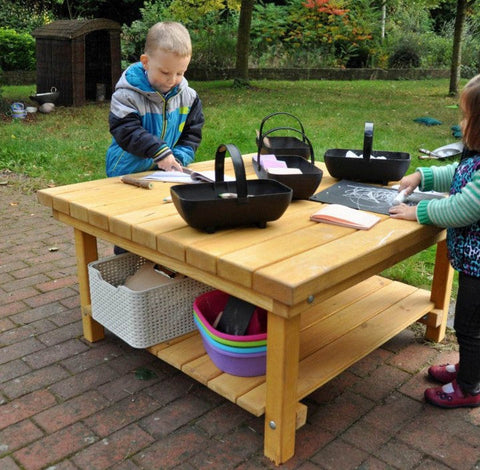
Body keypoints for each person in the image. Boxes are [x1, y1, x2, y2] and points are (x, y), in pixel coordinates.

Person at [389, 74, 480, 408]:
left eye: (467, 117)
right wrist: (422, 175)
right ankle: (469, 368)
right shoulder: (477, 159)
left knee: (470, 327)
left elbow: (462, 208)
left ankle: (469, 388)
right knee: (472, 325)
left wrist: (419, 212)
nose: (461, 122)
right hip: (474, 263)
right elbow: (458, 175)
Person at [106, 21, 204, 177]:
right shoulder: (126, 95)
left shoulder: (189, 98)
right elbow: (126, 131)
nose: (172, 80)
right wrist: (158, 151)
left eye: (180, 73)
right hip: (125, 173)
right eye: (165, 72)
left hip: (166, 173)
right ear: (146, 62)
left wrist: (178, 158)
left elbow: (191, 135)